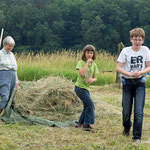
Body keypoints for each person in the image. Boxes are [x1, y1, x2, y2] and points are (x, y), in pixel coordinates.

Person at [116, 28, 150, 142]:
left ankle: (137, 137)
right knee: (126, 111)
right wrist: (129, 73)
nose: (137, 42)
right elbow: (118, 68)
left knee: (138, 111)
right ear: (131, 39)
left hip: (140, 83)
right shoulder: (125, 51)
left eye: (139, 40)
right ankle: (127, 126)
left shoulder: (145, 50)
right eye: (135, 39)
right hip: (128, 83)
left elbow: (149, 67)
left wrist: (140, 72)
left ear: (143, 40)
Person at [74, 44, 99, 130]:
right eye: (87, 52)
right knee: (91, 105)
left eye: (91, 53)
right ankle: (87, 124)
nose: (89, 54)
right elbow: (81, 73)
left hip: (86, 88)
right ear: (84, 53)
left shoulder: (94, 65)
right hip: (79, 88)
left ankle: (80, 123)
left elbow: (95, 78)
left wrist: (92, 80)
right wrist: (87, 64)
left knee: (86, 106)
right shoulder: (81, 62)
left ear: (93, 54)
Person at [0, 36, 19, 114]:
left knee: (11, 98)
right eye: (9, 46)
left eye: (12, 46)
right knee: (5, 97)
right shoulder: (0, 54)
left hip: (13, 77)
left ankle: (7, 114)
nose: (11, 48)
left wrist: (17, 81)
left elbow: (15, 69)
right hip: (4, 76)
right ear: (4, 45)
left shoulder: (12, 55)